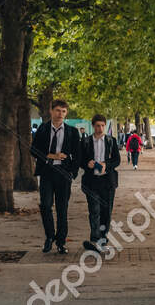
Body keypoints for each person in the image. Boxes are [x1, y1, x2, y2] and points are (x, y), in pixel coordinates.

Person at [30, 99, 84, 255]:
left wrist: (72, 173)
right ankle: (49, 237)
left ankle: (61, 242)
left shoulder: (72, 132)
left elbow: (77, 154)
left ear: (66, 114)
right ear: (52, 111)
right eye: (58, 110)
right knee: (45, 206)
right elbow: (33, 150)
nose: (60, 114)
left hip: (63, 175)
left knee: (62, 210)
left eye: (64, 111)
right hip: (47, 174)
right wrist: (51, 156)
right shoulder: (43, 129)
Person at [80, 114, 120, 254]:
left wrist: (106, 164)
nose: (100, 128)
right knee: (94, 211)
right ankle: (95, 239)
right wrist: (87, 163)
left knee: (106, 212)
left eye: (102, 125)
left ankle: (103, 240)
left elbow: (117, 160)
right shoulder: (85, 142)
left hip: (108, 182)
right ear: (93, 126)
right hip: (91, 182)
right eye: (97, 125)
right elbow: (80, 160)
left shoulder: (111, 141)